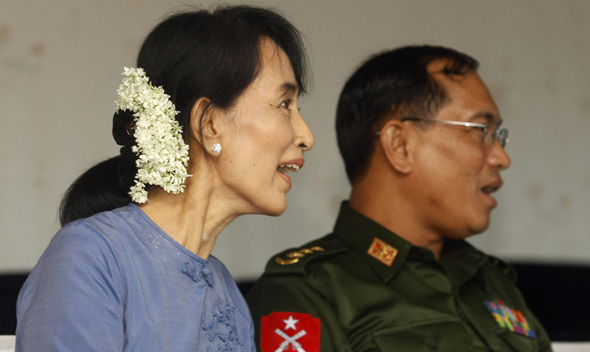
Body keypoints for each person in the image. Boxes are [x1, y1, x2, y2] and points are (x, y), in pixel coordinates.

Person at [16, 5, 314, 351]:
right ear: (209, 122)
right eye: (283, 104)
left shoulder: (227, 293)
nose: (306, 135)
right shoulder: (90, 258)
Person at [247, 45, 552, 351]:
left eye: (498, 136)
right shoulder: (308, 290)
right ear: (400, 145)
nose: (501, 157)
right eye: (480, 130)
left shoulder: (489, 280)